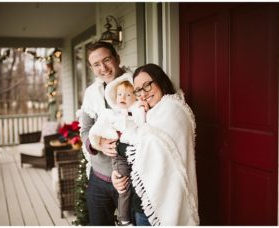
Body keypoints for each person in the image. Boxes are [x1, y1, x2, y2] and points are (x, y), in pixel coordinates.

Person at [111, 64, 199, 226]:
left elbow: (140, 150)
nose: (143, 94)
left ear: (160, 81)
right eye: (138, 90)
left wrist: (118, 146)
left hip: (162, 202)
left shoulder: (172, 110)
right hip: (142, 201)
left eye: (147, 85)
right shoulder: (150, 112)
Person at [78, 41, 133, 225]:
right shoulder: (91, 93)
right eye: (96, 64)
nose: (103, 68)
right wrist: (97, 144)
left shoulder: (133, 84)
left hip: (129, 180)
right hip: (99, 179)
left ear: (117, 58)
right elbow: (85, 130)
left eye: (107, 59)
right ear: (91, 68)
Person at [88, 77, 145, 226]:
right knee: (124, 188)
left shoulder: (137, 111)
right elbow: (94, 130)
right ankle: (124, 219)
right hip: (118, 157)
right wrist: (98, 143)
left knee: (135, 185)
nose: (123, 98)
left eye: (127, 95)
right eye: (120, 95)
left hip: (136, 156)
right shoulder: (111, 113)